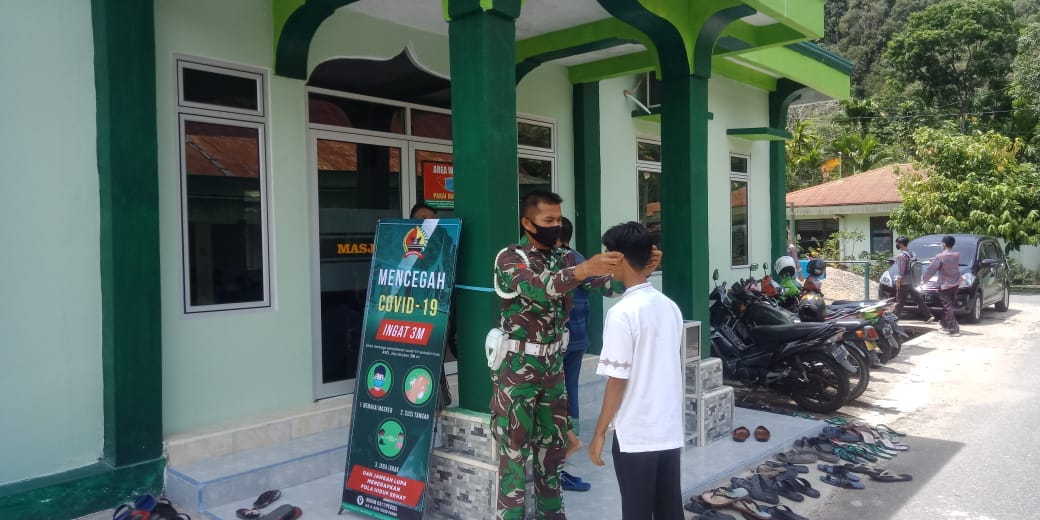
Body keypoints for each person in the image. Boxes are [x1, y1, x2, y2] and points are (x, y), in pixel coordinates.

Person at [492, 191, 659, 519]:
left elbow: (609, 287)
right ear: (527, 223)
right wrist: (583, 270)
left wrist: (643, 268)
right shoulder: (511, 259)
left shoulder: (566, 258)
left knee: (551, 458)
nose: (555, 227)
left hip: (552, 370)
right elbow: (539, 289)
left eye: (558, 220)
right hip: (517, 372)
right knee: (513, 458)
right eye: (547, 221)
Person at [589, 221, 684, 520]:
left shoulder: (621, 313)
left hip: (637, 433)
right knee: (670, 509)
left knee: (636, 511)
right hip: (668, 428)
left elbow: (617, 379)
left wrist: (600, 431)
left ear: (617, 257)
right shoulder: (669, 306)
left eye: (608, 254)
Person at [409, 202, 456, 411]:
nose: (426, 224)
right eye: (421, 219)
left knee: (433, 358)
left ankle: (437, 404)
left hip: (434, 314)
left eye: (431, 221)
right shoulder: (403, 248)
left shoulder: (443, 247)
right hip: (407, 314)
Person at [556, 217, 591, 492]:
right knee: (571, 393)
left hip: (557, 343)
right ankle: (568, 453)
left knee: (555, 401)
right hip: (578, 340)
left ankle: (560, 462)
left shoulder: (555, 260)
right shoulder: (580, 258)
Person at [921, 235, 961, 336]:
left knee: (947, 306)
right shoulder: (956, 255)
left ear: (943, 244)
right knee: (948, 306)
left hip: (944, 285)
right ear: (953, 244)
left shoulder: (940, 256)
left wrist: (924, 280)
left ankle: (954, 329)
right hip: (955, 283)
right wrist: (935, 259)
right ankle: (944, 325)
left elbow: (931, 269)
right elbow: (946, 261)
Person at [893, 236, 934, 322]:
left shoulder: (901, 255)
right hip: (911, 281)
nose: (896, 245)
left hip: (904, 282)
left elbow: (902, 270)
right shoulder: (911, 253)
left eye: (897, 243)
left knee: (899, 301)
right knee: (918, 299)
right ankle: (928, 316)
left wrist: (898, 280)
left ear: (901, 244)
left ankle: (894, 319)